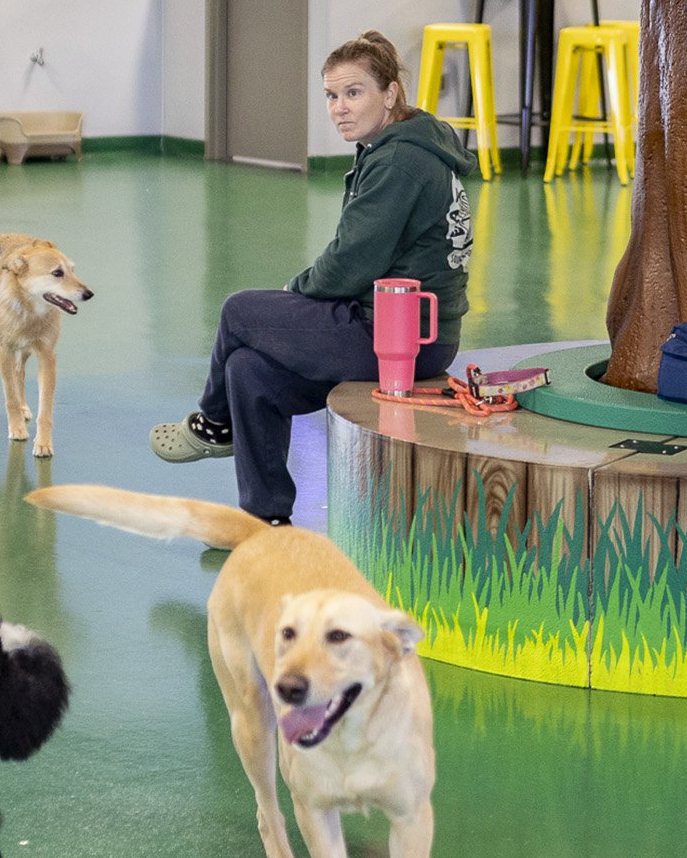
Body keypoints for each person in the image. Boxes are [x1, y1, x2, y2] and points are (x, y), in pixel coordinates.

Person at [150, 31, 476, 522]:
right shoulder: (399, 145)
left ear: (390, 93)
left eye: (354, 92)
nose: (339, 108)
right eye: (331, 95)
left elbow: (351, 262)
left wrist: (295, 291)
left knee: (240, 311)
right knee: (247, 371)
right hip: (393, 326)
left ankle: (213, 425)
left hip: (400, 339)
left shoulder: (400, 161)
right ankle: (265, 518)